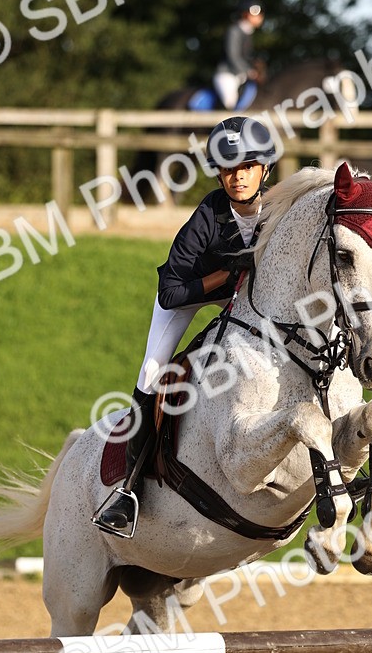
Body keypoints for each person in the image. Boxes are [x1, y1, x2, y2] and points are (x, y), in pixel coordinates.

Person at [94, 115, 277, 537]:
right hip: (188, 293)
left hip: (241, 293)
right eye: (228, 169)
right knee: (152, 373)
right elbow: (170, 293)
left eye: (247, 166)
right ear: (218, 173)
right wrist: (225, 276)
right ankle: (128, 490)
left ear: (264, 169)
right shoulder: (210, 214)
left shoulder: (277, 209)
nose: (237, 177)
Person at [213, 0, 265, 110]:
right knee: (230, 101)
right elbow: (233, 56)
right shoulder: (234, 31)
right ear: (245, 14)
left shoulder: (248, 32)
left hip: (242, 76)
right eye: (255, 13)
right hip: (228, 74)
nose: (260, 17)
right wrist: (249, 71)